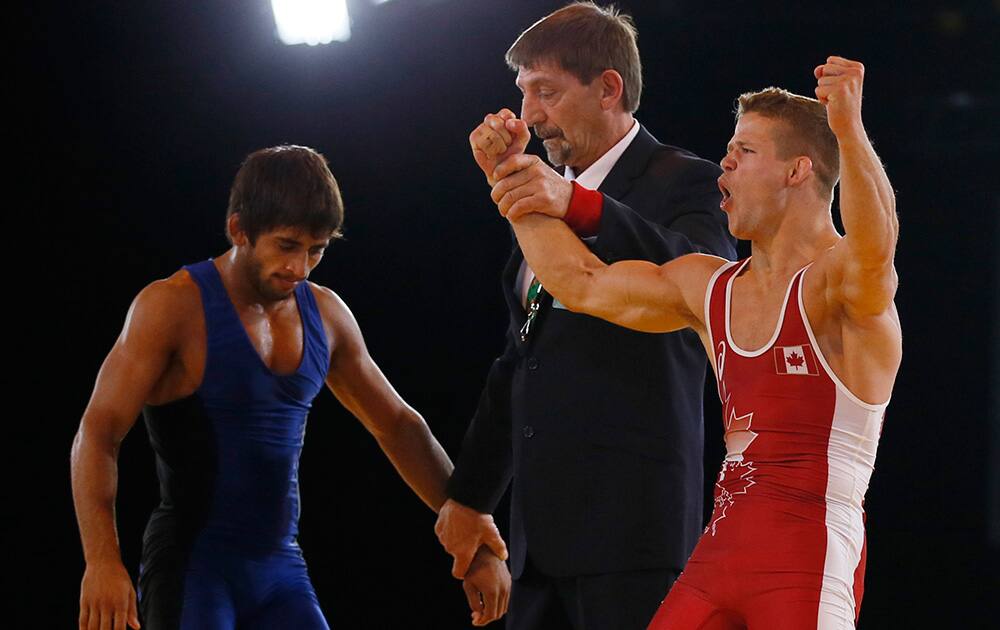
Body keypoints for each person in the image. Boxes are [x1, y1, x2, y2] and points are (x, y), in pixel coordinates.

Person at [490, 55, 899, 628]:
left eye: (746, 152)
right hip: (719, 555)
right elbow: (581, 282)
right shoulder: (709, 284)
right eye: (729, 149)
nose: (724, 164)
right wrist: (509, 178)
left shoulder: (838, 286)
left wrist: (849, 129)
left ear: (797, 171)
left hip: (809, 559)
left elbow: (877, 247)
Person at [70, 145, 509, 630]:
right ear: (239, 230)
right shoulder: (170, 307)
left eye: (316, 251)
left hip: (281, 570)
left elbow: (399, 426)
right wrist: (102, 561)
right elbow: (98, 434)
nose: (300, 268)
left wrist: (472, 534)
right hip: (194, 567)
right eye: (287, 245)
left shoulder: (325, 314)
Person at [434, 3, 736, 628]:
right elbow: (523, 357)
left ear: (608, 88)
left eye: (546, 91)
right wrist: (470, 496)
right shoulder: (538, 200)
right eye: (523, 94)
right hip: (538, 546)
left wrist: (581, 204)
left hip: (635, 539)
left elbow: (707, 280)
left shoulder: (688, 183)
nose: (529, 116)